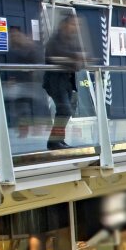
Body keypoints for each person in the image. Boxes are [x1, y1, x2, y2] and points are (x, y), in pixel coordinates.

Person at [43, 14, 85, 150]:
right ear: (64, 25)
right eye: (73, 24)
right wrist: (74, 59)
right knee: (64, 110)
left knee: (64, 111)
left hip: (67, 81)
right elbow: (57, 58)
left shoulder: (72, 41)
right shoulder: (55, 40)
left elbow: (80, 61)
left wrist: (74, 60)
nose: (75, 28)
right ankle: (54, 141)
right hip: (55, 81)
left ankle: (57, 140)